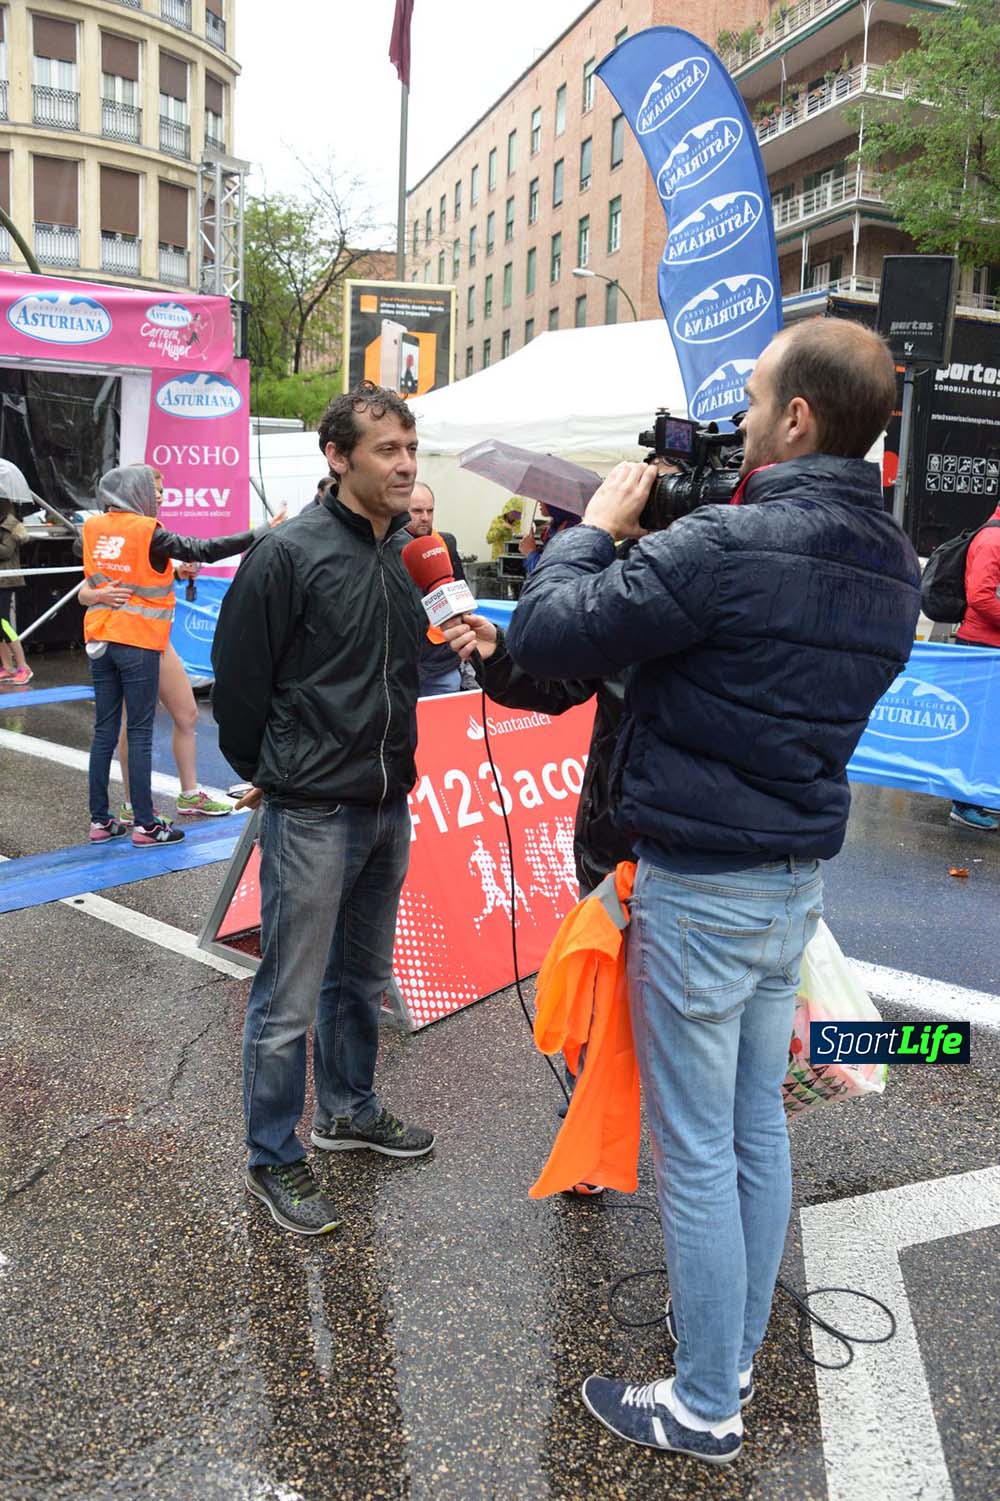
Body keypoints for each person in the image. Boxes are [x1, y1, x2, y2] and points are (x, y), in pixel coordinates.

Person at [504, 318, 921, 1464]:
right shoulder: (892, 561)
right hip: (789, 882)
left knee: (694, 1147)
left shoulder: (730, 546)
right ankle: (727, 1359)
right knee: (749, 1131)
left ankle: (701, 1404)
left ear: (795, 419)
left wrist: (592, 533)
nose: (733, 419)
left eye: (749, 400)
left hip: (698, 888)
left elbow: (546, 630)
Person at [211, 380, 434, 1238]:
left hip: (386, 805)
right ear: (337, 457)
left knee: (361, 982)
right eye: (387, 449)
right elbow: (239, 684)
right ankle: (274, 1154)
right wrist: (276, 770)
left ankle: (348, 1110)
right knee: (288, 996)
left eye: (411, 448)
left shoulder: (407, 553)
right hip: (310, 811)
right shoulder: (289, 553)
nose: (405, 464)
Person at [82, 466, 278, 846]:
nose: (159, 497)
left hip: (100, 638)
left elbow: (111, 574)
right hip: (137, 641)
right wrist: (259, 533)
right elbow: (202, 549)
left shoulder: (93, 527)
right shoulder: (147, 530)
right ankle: (146, 824)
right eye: (153, 490)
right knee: (139, 732)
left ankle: (101, 821)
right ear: (136, 491)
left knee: (104, 731)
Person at [949, 500, 1000, 831]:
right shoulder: (994, 540)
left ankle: (976, 797)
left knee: (987, 728)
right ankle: (964, 803)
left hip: (988, 645)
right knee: (977, 730)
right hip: (982, 647)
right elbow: (980, 597)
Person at [406, 480, 470, 696]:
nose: (425, 517)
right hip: (405, 665)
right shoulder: (386, 546)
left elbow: (461, 592)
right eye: (417, 511)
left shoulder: (445, 543)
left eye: (430, 510)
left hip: (443, 660)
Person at [0, 497, 33, 685]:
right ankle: (7, 666)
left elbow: (5, 551)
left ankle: (23, 667)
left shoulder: (12, 525)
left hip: (6, 580)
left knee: (3, 623)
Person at [518, 501, 580, 575]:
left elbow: (546, 576)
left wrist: (530, 552)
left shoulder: (569, 532)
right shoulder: (556, 527)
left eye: (543, 497)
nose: (539, 501)